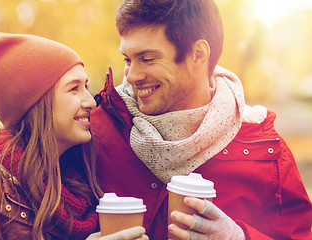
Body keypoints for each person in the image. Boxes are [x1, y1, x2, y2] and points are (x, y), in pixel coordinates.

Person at [90, 0, 312, 239]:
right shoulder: (95, 130)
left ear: (198, 54)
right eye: (127, 60)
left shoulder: (266, 149)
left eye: (148, 59)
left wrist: (240, 237)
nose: (132, 76)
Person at [0, 30, 148, 240]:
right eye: (73, 89)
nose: (91, 102)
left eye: (85, 87)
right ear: (35, 103)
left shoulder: (80, 181)